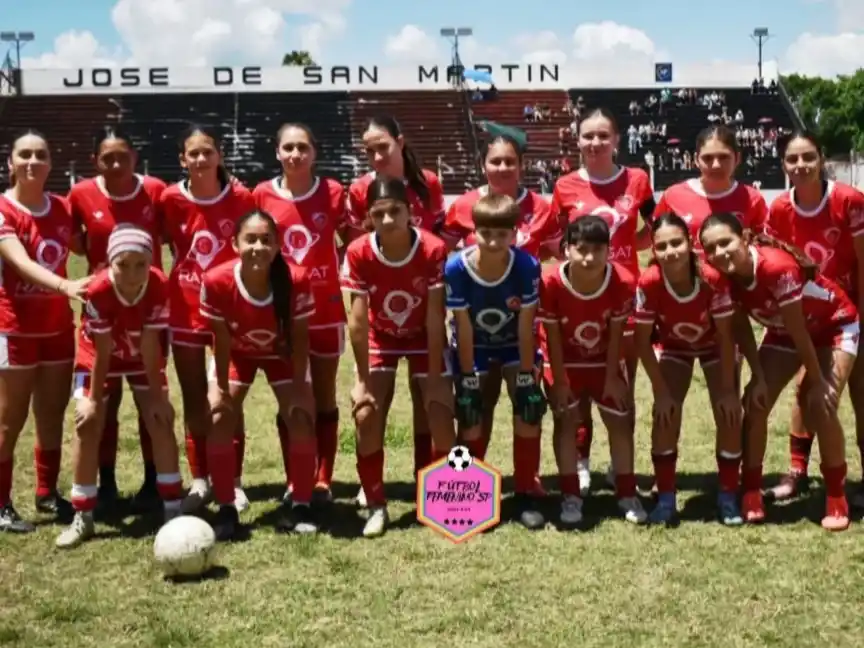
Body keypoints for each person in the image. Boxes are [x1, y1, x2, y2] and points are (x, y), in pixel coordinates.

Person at [699, 213, 857, 530]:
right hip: (782, 332)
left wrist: (817, 380)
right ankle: (751, 491)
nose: (720, 253)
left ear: (745, 237)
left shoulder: (776, 267)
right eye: (711, 248)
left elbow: (800, 332)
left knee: (821, 404)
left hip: (833, 326)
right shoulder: (722, 277)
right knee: (755, 402)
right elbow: (742, 329)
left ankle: (836, 495)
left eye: (726, 242)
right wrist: (757, 377)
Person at [340, 175, 455, 538]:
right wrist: (361, 380)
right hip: (382, 336)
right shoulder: (358, 251)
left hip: (422, 334)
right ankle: (376, 504)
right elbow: (358, 321)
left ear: (410, 213)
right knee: (366, 413)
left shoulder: (433, 248)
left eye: (395, 211)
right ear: (368, 218)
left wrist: (435, 373)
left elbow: (435, 315)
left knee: (440, 408)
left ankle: (439, 496)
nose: (388, 220)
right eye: (379, 213)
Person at [549, 107, 656, 496]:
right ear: (577, 140)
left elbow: (655, 227)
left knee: (622, 384)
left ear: (616, 140)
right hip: (581, 300)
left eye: (603, 135)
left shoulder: (637, 180)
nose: (595, 142)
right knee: (578, 387)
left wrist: (628, 248)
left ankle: (619, 465)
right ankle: (580, 463)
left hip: (623, 300)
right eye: (588, 136)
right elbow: (559, 240)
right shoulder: (565, 186)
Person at [58, 225, 183, 548]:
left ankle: (173, 508)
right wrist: (92, 400)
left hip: (141, 355)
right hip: (97, 358)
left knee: (160, 419)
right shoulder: (98, 289)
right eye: (122, 264)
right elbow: (101, 351)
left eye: (141, 264)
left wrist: (157, 397)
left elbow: (151, 344)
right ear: (109, 262)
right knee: (87, 424)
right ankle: (83, 514)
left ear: (151, 262)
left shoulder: (159, 284)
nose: (131, 274)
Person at [201, 210, 317, 540]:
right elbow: (221, 340)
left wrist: (299, 388)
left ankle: (301, 503)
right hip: (238, 353)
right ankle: (226, 506)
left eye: (266, 240)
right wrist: (222, 390)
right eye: (250, 239)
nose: (258, 247)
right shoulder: (217, 280)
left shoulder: (297, 279)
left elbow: (300, 337)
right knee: (219, 415)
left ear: (278, 246)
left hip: (283, 353)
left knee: (301, 415)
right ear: (234, 244)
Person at [68, 126, 167, 511]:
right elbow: (72, 238)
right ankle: (105, 482)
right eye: (106, 158)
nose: (115, 164)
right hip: (104, 305)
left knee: (150, 397)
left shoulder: (155, 190)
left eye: (122, 156)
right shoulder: (81, 194)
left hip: (147, 308)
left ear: (134, 158)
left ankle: (154, 480)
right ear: (95, 160)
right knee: (103, 401)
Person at [762, 131, 864, 504]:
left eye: (808, 156)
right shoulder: (779, 208)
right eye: (792, 159)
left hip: (848, 315)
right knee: (807, 390)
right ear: (783, 164)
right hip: (807, 315)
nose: (801, 165)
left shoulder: (848, 201)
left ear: (821, 158)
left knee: (857, 394)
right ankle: (797, 473)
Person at [161, 124, 255, 514]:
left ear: (219, 155)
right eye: (193, 153)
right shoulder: (170, 199)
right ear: (183, 159)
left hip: (228, 312)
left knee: (227, 396)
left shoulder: (242, 197)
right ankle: (200, 479)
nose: (200, 159)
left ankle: (233, 480)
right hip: (183, 310)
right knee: (193, 394)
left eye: (207, 151)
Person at [0, 130, 90, 533]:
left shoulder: (63, 208)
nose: (32, 161)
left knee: (51, 414)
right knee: (9, 419)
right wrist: (64, 285)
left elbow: (87, 244)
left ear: (51, 163)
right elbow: (19, 262)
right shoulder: (3, 209)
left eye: (41, 154)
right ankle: (1, 504)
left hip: (56, 329)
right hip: (13, 329)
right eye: (24, 155)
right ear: (10, 162)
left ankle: (46, 493)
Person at [254, 123, 348, 504]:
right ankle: (296, 478)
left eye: (302, 147)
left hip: (326, 311)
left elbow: (352, 241)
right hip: (282, 313)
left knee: (324, 396)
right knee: (292, 396)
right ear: (277, 152)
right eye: (288, 147)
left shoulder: (333, 192)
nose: (295, 154)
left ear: (314, 152)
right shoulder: (261, 194)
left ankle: (323, 480)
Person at [445, 194, 547, 529]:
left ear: (515, 234)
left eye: (502, 234)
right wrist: (467, 378)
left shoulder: (526, 266)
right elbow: (462, 326)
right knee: (471, 415)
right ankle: (465, 487)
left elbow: (526, 326)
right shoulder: (457, 267)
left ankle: (526, 490)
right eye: (485, 233)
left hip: (514, 346)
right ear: (473, 232)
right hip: (474, 347)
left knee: (528, 409)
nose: (493, 241)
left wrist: (527, 376)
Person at [634, 213, 742, 526]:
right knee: (665, 415)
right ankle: (666, 498)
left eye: (676, 243)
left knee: (729, 414)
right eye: (661, 246)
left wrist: (728, 391)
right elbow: (641, 342)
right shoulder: (650, 281)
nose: (670, 252)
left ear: (690, 243)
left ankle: (728, 495)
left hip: (715, 347)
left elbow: (726, 337)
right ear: (653, 250)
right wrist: (661, 392)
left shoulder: (711, 278)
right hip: (675, 347)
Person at [539, 216, 646, 527]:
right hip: (564, 360)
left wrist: (612, 377)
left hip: (603, 359)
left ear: (609, 251)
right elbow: (552, 336)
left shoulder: (622, 280)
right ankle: (571, 494)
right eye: (581, 249)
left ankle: (626, 491)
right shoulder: (550, 281)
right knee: (566, 422)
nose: (589, 257)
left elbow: (617, 334)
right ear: (567, 249)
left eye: (598, 250)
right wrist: (560, 381)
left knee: (620, 421)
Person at [441, 134, 561, 259]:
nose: (503, 168)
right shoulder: (463, 206)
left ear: (521, 165)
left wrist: (531, 263)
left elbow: (561, 253)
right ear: (483, 165)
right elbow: (439, 252)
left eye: (509, 162)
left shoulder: (541, 208)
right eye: (495, 162)